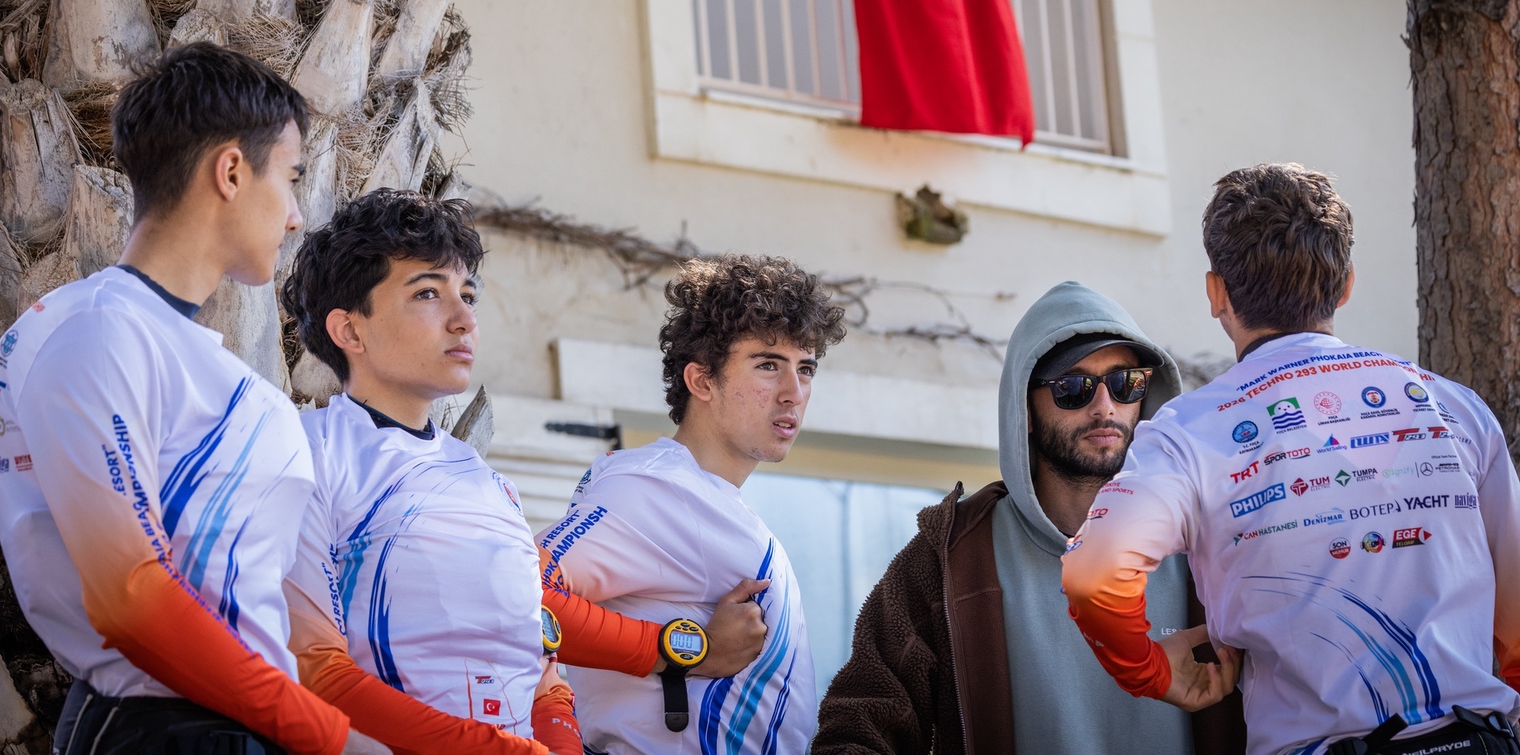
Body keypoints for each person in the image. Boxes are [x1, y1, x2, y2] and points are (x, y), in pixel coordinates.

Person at [0, 44, 385, 755]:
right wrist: (329, 736)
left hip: (240, 722)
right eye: (290, 179)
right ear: (231, 171)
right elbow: (130, 598)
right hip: (164, 727)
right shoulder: (98, 332)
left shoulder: (169, 348)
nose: (296, 217)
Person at [278, 191, 768, 755]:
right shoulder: (306, 452)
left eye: (468, 296)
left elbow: (543, 669)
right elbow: (315, 671)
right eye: (428, 293)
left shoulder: (492, 487)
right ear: (349, 331)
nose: (464, 320)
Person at [1063, 163, 1520, 755]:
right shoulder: (1453, 406)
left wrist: (1148, 670)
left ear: (1216, 293)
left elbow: (1094, 575)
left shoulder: (1188, 431)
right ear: (1346, 285)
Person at [812, 281, 1245, 755]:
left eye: (1126, 383)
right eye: (1073, 388)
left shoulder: (1215, 542)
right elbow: (858, 726)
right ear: (1026, 410)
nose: (1105, 406)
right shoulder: (953, 556)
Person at [537, 254, 845, 754]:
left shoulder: (701, 495)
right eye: (768, 365)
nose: (794, 392)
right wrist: (688, 650)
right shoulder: (656, 486)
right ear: (701, 381)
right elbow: (516, 594)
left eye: (805, 369)